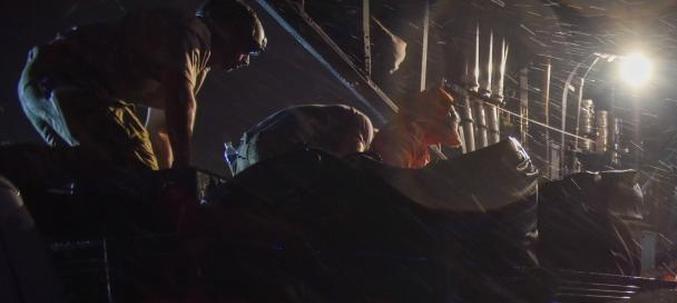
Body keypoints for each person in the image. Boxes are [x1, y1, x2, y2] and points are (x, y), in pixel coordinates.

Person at [18, 0, 266, 171]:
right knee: (130, 167)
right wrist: (181, 171)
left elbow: (161, 132)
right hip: (67, 76)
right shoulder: (195, 34)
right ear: (228, 32)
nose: (244, 61)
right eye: (245, 49)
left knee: (96, 170)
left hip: (50, 80)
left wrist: (165, 182)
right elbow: (180, 99)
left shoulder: (194, 64)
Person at [225, 104, 376, 175]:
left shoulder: (349, 118)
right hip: (271, 151)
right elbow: (350, 165)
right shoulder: (365, 128)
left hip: (247, 153)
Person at [372, 86, 463, 169]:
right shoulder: (404, 138)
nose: (440, 141)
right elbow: (393, 178)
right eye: (446, 127)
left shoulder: (421, 146)